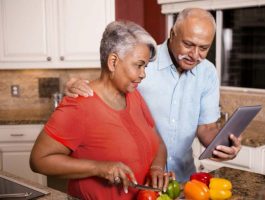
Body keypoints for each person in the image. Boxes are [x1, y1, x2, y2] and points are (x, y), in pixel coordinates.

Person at [64, 8, 242, 182]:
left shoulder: (208, 72)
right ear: (172, 34)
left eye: (203, 48)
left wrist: (223, 145)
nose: (195, 55)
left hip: (183, 177)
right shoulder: (143, 60)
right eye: (188, 44)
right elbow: (107, 85)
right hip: (139, 179)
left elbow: (207, 128)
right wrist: (76, 84)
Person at [30, 20, 171, 200]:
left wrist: (156, 168)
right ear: (113, 62)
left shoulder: (134, 95)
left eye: (145, 67)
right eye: (138, 65)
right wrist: (98, 167)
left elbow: (157, 142)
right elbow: (38, 160)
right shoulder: (78, 106)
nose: (143, 74)